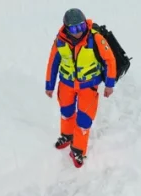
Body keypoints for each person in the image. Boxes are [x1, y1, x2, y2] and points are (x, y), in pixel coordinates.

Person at [45, 8, 117, 168]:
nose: (79, 32)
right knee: (66, 113)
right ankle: (67, 135)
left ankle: (78, 149)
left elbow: (109, 60)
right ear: (66, 28)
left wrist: (109, 84)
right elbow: (53, 62)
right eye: (74, 29)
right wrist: (49, 85)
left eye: (82, 27)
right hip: (66, 84)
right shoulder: (60, 40)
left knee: (84, 120)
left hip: (88, 86)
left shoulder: (95, 38)